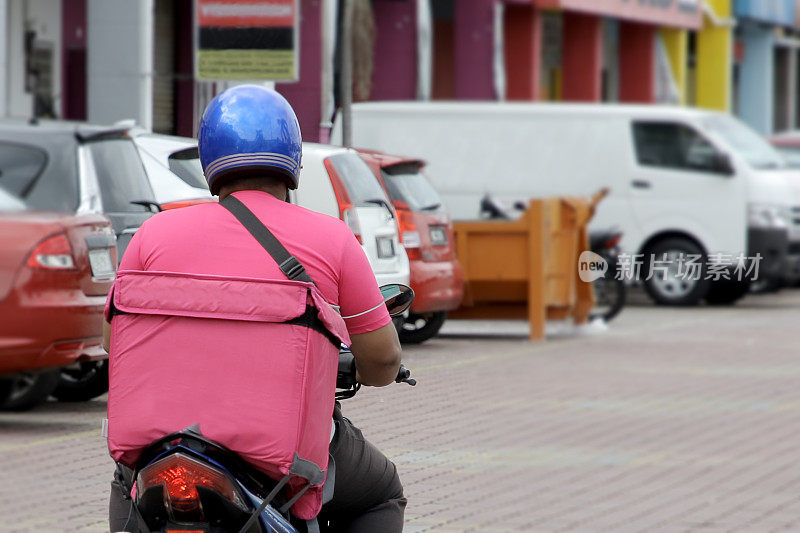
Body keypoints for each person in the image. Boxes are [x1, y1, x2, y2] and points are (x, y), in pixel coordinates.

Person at [106, 85, 406, 532]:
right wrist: (368, 372)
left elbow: (114, 344)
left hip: (163, 450)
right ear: (293, 158)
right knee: (382, 494)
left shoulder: (152, 234)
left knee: (127, 483)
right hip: (280, 456)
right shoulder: (333, 239)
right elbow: (382, 359)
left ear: (209, 159)